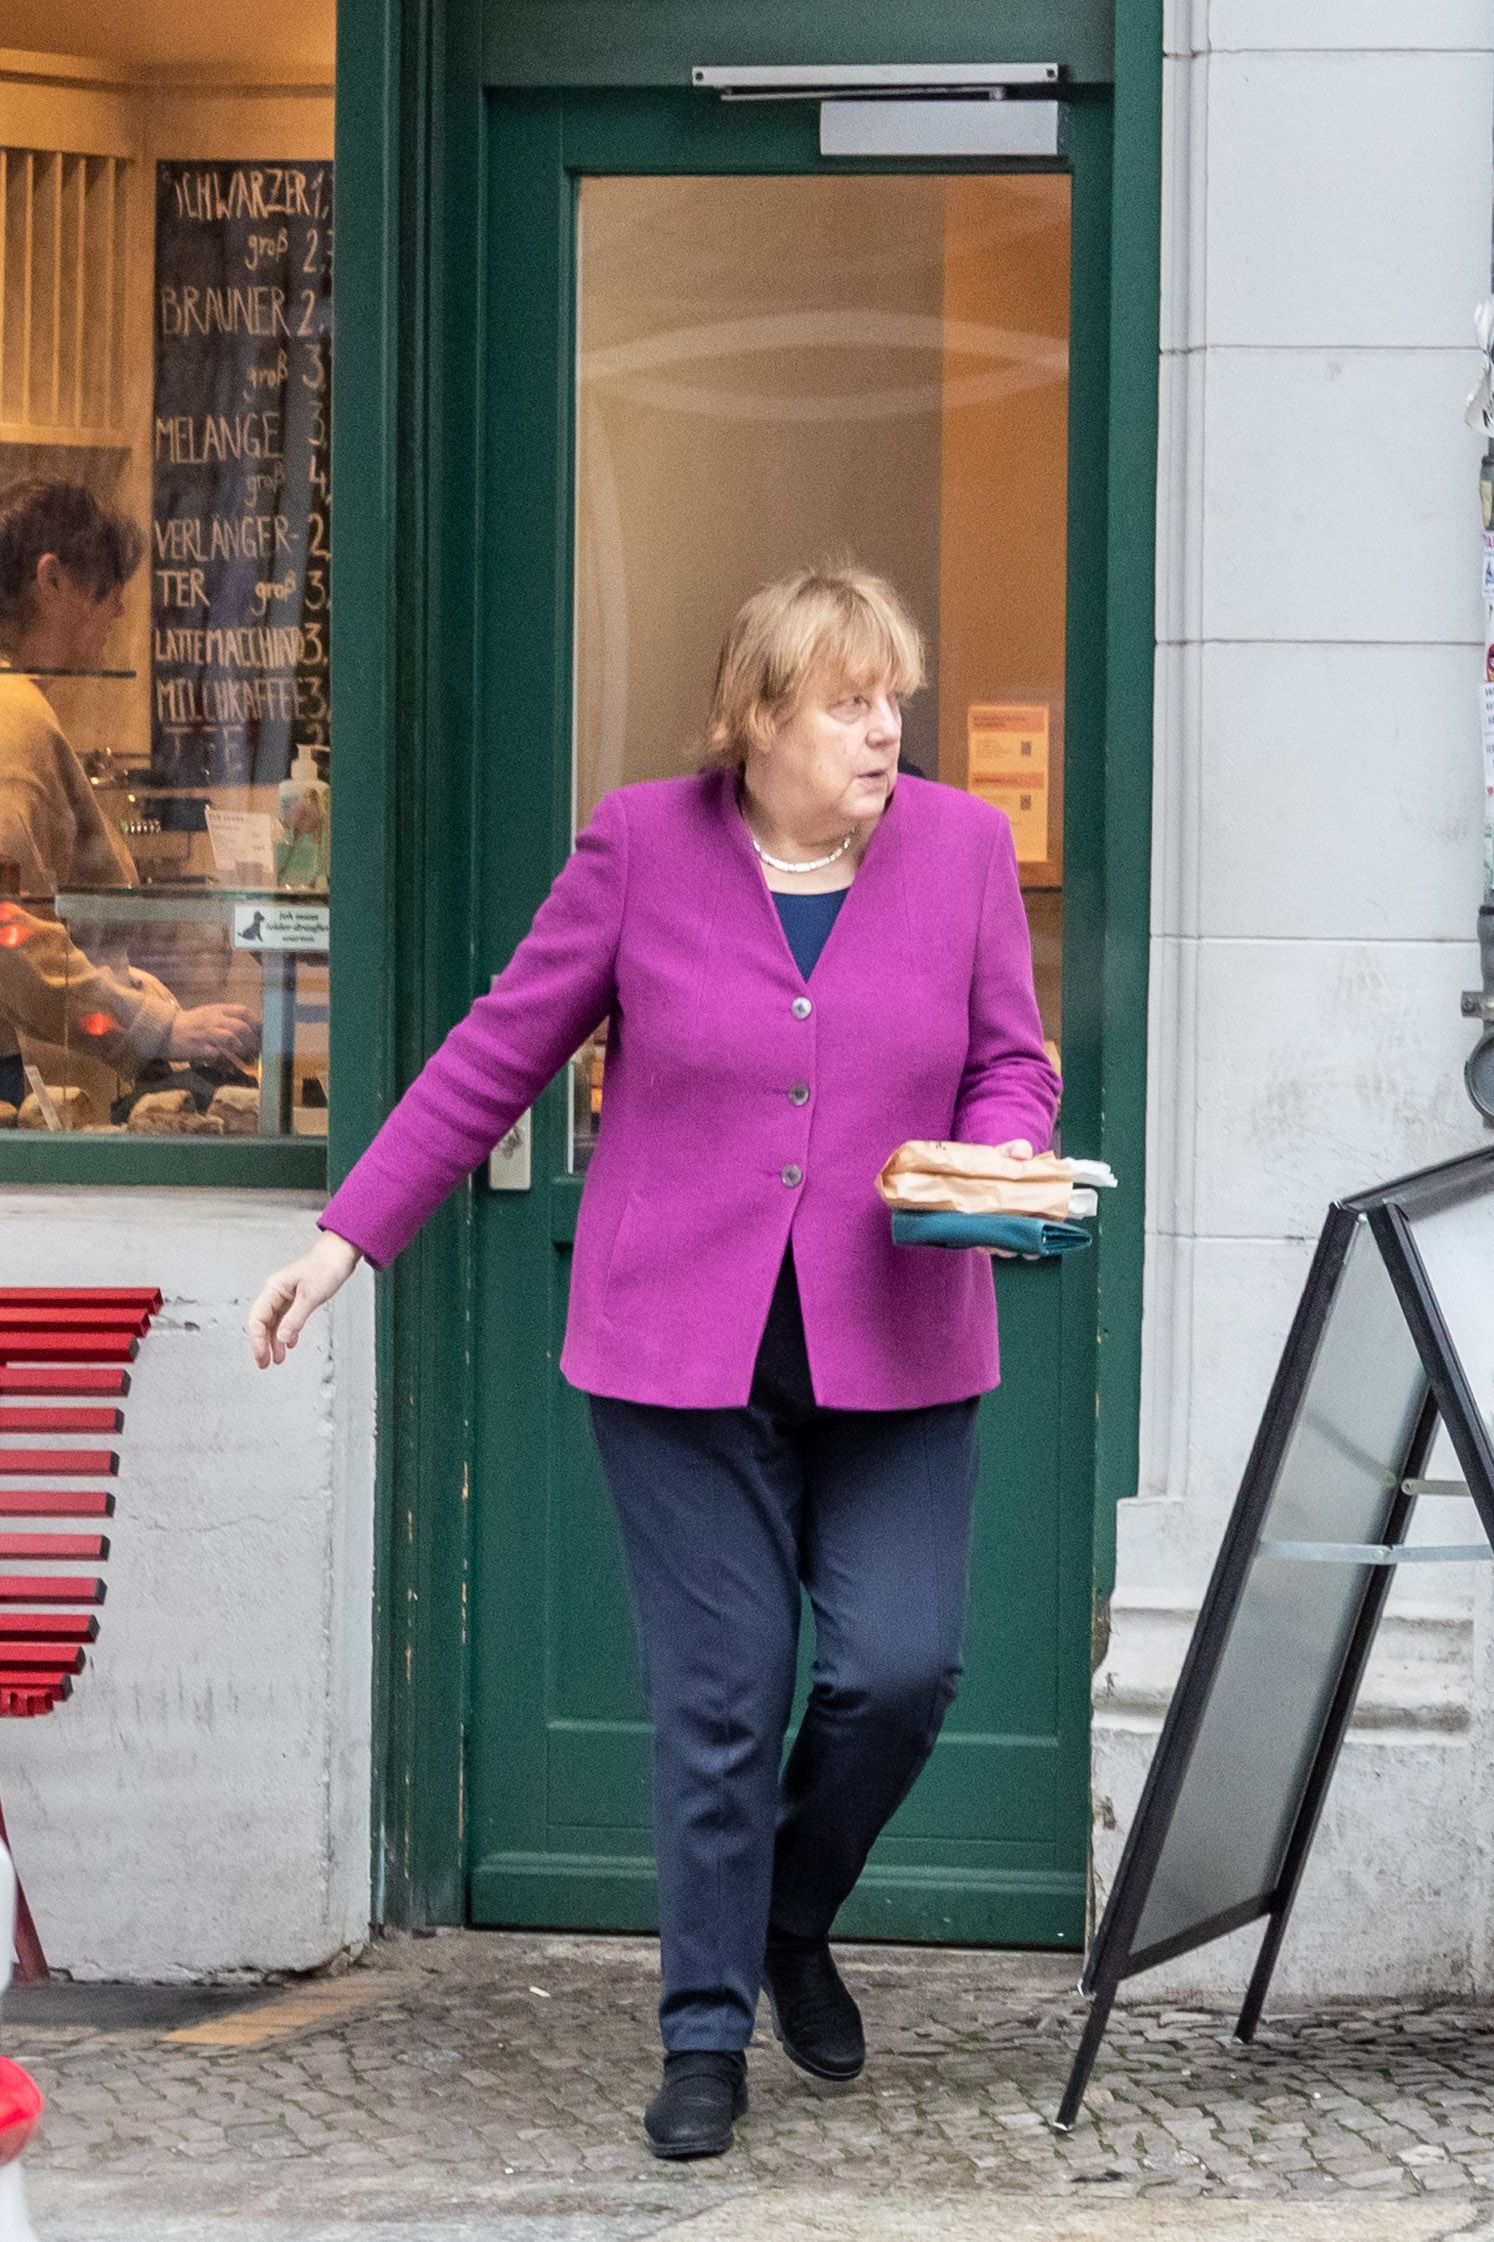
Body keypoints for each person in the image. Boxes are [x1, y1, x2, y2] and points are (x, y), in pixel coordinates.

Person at [246, 565, 1061, 2160]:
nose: (884, 726)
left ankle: (785, 1914)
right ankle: (701, 2036)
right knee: (720, 1693)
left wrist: (998, 1160)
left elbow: (1008, 1058)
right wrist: (348, 1237)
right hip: (675, 1347)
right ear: (756, 717)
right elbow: (499, 1047)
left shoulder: (962, 850)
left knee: (900, 1668)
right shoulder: (640, 842)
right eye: (846, 701)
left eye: (892, 694)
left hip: (896, 1333)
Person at [0, 478, 257, 1114]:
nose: (118, 612)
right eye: (108, 588)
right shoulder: (13, 717)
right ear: (51, 579)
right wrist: (151, 1029)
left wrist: (141, 997)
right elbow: (7, 929)